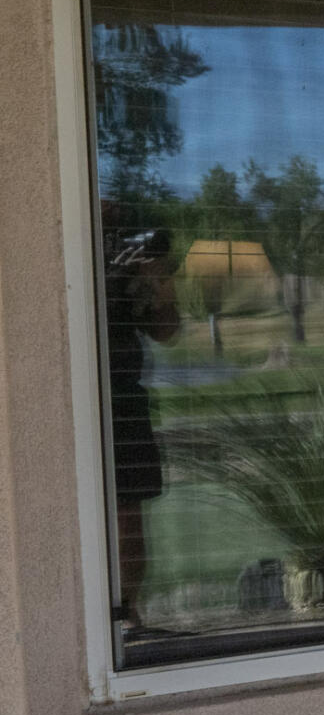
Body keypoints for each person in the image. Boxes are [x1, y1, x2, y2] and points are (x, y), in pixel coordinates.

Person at [103, 211, 182, 627]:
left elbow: (167, 330)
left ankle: (128, 612)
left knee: (129, 513)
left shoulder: (123, 261)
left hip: (124, 402)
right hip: (78, 400)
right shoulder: (75, 255)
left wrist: (158, 278)